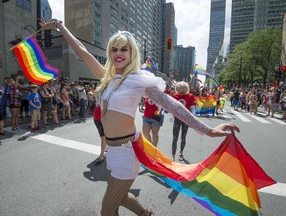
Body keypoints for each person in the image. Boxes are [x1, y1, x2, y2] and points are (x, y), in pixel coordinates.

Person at [40, 19, 239, 216]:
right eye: (114, 50)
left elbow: (172, 105)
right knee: (122, 197)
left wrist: (208, 130)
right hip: (113, 150)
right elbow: (83, 51)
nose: (118, 54)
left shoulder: (138, 80)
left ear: (132, 52)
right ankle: (145, 213)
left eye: (124, 49)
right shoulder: (107, 79)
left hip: (126, 153)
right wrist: (60, 26)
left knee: (107, 211)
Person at [171, 81, 196, 161]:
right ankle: (173, 155)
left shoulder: (190, 96)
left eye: (183, 89)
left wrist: (192, 120)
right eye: (179, 89)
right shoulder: (174, 96)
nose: (181, 91)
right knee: (175, 138)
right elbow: (171, 106)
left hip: (186, 120)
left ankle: (181, 152)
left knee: (183, 137)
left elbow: (193, 108)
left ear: (185, 89)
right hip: (177, 119)